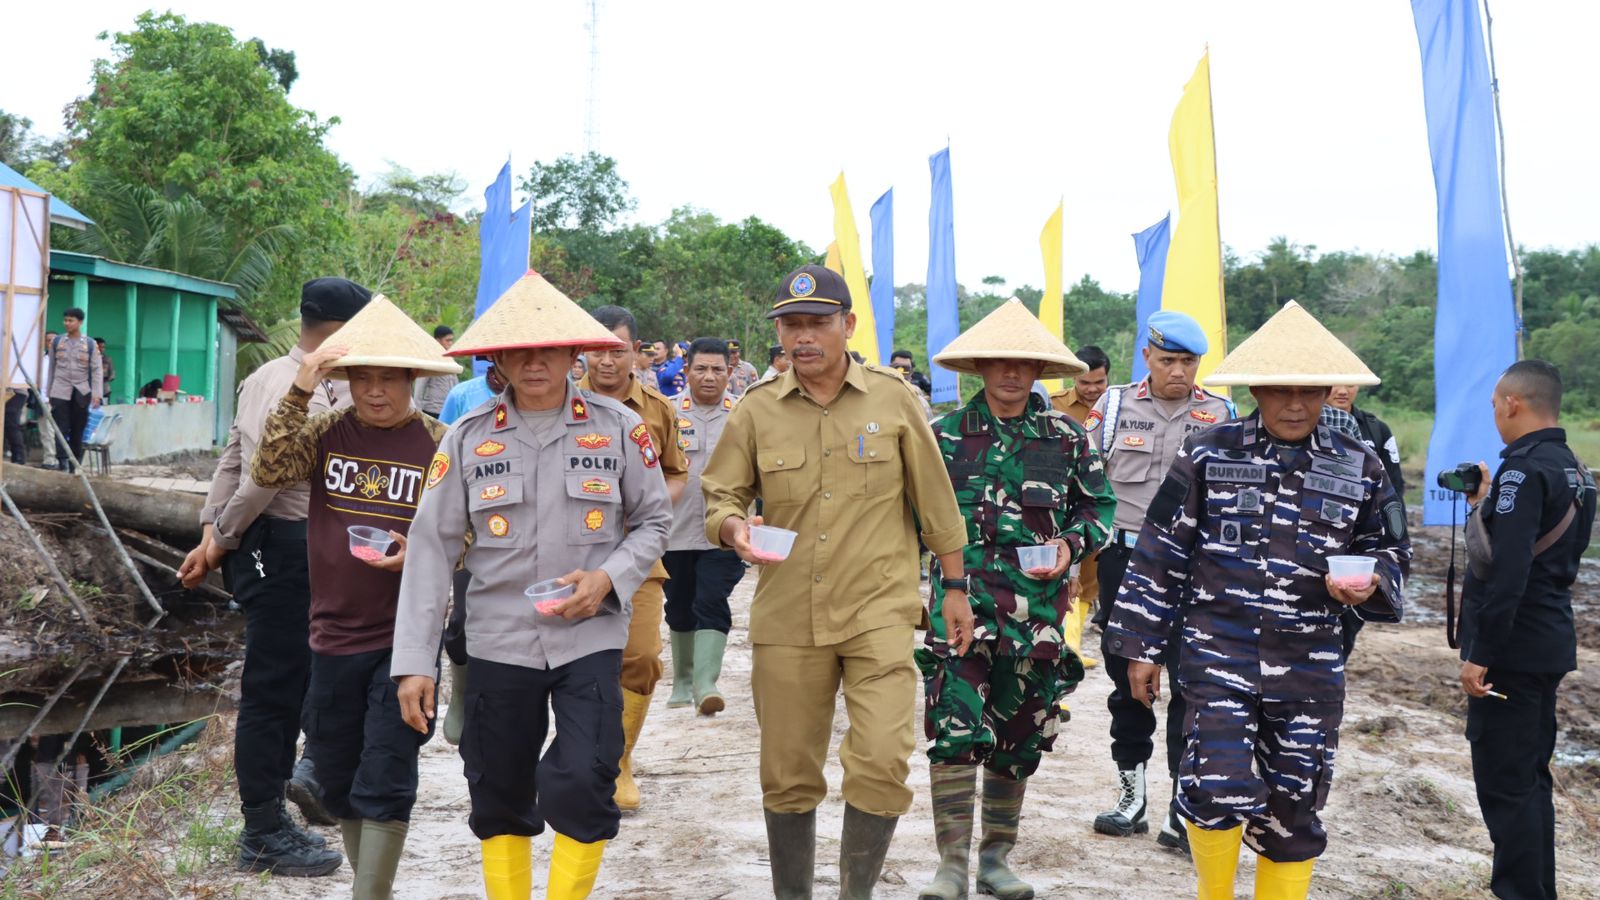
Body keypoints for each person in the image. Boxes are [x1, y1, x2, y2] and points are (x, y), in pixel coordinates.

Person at [1106, 300, 1410, 900]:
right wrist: (1141, 647)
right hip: (1217, 653)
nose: (1294, 405)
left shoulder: (1361, 465)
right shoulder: (1209, 452)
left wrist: (1372, 579)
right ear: (1254, 390)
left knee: (1294, 806)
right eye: (1278, 391)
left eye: (1309, 391)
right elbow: (1160, 551)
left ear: (1328, 391)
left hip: (1311, 661)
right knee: (1214, 785)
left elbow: (1391, 551)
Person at [390, 271, 672, 899]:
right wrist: (416, 663)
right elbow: (432, 552)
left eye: (548, 349)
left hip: (589, 636)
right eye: (518, 350)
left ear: (575, 354)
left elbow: (655, 521)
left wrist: (608, 577)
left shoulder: (622, 429)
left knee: (584, 775)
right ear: (499, 360)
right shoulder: (466, 440)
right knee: (498, 787)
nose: (534, 362)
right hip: (497, 640)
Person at [700, 264, 968, 899]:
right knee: (788, 773)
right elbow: (720, 496)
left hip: (879, 610)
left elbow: (937, 503)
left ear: (847, 325)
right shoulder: (757, 409)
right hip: (788, 616)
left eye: (817, 323)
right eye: (791, 325)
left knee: (881, 761)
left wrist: (954, 588)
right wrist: (734, 528)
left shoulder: (893, 397)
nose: (803, 337)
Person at [250, 295, 457, 899]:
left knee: (389, 770)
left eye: (388, 378)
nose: (375, 392)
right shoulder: (327, 431)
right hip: (332, 631)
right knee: (336, 775)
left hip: (406, 637)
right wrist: (301, 386)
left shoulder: (441, 443)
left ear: (412, 380)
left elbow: (467, 535)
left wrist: (414, 551)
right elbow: (268, 472)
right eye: (362, 378)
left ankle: (370, 893)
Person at [916, 301, 1116, 900]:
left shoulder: (1066, 435)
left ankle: (995, 860)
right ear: (980, 368)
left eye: (1024, 365)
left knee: (1019, 737)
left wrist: (1071, 544)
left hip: (1038, 618)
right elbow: (909, 514)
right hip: (961, 607)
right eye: (1000, 364)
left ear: (1038, 371)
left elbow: (1098, 507)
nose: (1011, 374)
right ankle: (950, 866)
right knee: (953, 730)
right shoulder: (943, 437)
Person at [178, 278, 373, 877]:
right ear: (340, 330)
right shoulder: (298, 387)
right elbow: (261, 477)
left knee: (313, 671)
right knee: (275, 689)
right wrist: (225, 535)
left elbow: (230, 457)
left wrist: (211, 529)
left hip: (297, 548)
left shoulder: (263, 376)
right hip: (283, 546)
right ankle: (262, 829)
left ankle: (302, 787)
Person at [1085, 311, 1235, 850]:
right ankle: (1132, 796)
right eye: (1167, 360)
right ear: (1147, 357)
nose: (1178, 371)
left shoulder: (1222, 414)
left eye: (1188, 361)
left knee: (1190, 684)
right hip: (1125, 561)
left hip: (1195, 571)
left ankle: (1179, 804)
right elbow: (1086, 480)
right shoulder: (1114, 406)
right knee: (1128, 682)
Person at [1457, 360, 1594, 900]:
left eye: (1495, 405)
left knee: (1506, 785)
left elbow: (1510, 572)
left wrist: (1480, 652)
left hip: (1512, 649)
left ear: (1512, 403)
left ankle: (1519, 892)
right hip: (1550, 639)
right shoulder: (1575, 469)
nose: (1495, 414)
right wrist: (1482, 507)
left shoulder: (1522, 471)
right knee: (1531, 780)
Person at [578, 305, 688, 812]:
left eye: (618, 349)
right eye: (598, 348)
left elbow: (677, 473)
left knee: (641, 657)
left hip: (639, 556)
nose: (607, 359)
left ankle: (620, 760)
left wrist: (648, 507)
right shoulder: (559, 402)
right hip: (570, 554)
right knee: (570, 662)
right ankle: (579, 757)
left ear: (637, 353)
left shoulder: (658, 409)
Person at [661, 337, 742, 715]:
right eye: (701, 369)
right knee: (678, 606)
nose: (709, 377)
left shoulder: (744, 415)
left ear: (730, 372)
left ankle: (705, 683)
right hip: (674, 533)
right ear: (686, 371)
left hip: (725, 533)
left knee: (711, 600)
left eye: (718, 370)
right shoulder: (666, 413)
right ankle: (682, 680)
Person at [1049, 344, 1112, 668]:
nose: (1091, 390)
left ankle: (1071, 644)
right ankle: (1064, 645)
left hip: (1097, 502)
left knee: (1090, 577)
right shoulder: (1054, 404)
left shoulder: (1116, 406)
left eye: (1098, 383)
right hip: (1060, 501)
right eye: (1084, 382)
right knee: (1060, 569)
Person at [45, 309, 102, 472]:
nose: (67, 323)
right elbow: (52, 369)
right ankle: (62, 461)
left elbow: (97, 370)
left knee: (78, 429)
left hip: (82, 391)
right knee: (60, 428)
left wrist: (97, 394)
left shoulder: (90, 344)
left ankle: (74, 464)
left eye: (71, 320)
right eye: (65, 320)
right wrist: (49, 392)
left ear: (80, 322)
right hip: (60, 391)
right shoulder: (57, 342)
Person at [412, 325, 460, 417]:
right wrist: (417, 412)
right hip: (432, 410)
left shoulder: (450, 358)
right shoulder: (429, 359)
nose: (450, 343)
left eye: (451, 340)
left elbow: (455, 385)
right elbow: (419, 386)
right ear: (437, 341)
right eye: (447, 340)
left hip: (448, 409)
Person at [94, 337, 114, 405]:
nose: (101, 349)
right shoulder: (88, 359)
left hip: (105, 390)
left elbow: (112, 374)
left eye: (103, 347)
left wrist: (104, 377)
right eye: (99, 347)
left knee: (105, 409)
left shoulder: (107, 359)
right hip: (92, 390)